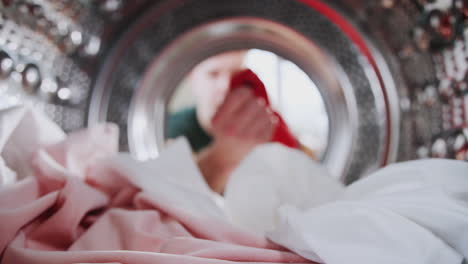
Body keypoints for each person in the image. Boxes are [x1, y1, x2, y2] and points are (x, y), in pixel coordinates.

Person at [166, 50, 314, 193]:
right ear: (192, 78)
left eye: (237, 75)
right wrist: (221, 158)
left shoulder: (263, 125)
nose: (225, 87)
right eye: (213, 74)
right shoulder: (169, 132)